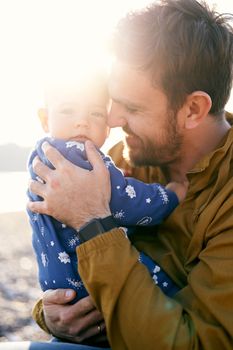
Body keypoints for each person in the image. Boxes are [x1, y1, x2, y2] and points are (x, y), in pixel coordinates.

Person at [1, 0, 233, 349]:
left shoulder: (226, 194)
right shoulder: (123, 156)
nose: (111, 120)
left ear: (193, 109)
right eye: (114, 101)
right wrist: (50, 314)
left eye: (133, 107)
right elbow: (68, 250)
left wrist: (94, 220)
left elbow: (201, 342)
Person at [27, 72, 186, 307]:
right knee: (163, 289)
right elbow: (124, 201)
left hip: (59, 282)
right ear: (45, 119)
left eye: (96, 113)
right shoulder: (76, 152)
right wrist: (170, 196)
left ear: (107, 127)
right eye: (68, 110)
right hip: (87, 272)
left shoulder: (39, 157)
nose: (82, 121)